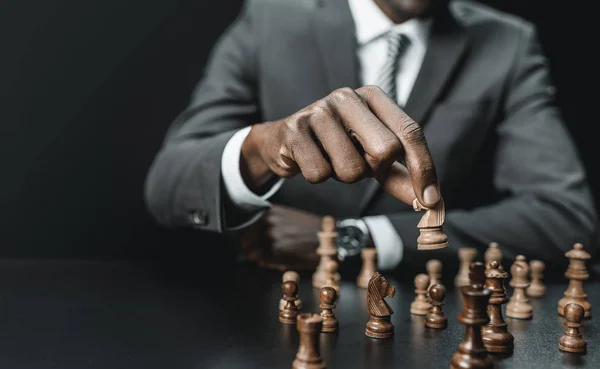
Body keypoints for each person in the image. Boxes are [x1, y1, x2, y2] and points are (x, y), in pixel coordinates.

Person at [144, 0, 598, 276]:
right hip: (261, 321)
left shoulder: (508, 43)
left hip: (422, 334)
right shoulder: (269, 19)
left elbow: (564, 219)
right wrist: (265, 147)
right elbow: (169, 183)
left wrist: (355, 239)